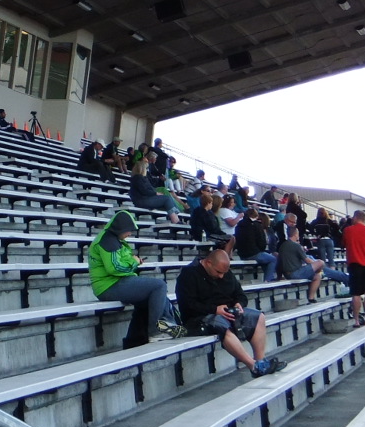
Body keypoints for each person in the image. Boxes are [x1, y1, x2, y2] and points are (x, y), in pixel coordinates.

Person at [176, 246, 286, 377]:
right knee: (222, 325)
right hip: (200, 317)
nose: (221, 276)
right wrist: (215, 310)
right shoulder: (188, 274)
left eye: (223, 272)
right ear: (208, 263)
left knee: (259, 317)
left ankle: (261, 361)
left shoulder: (225, 271)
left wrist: (239, 304)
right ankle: (253, 366)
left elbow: (240, 294)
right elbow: (188, 304)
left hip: (227, 312)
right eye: (218, 272)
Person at [87, 210, 185, 348]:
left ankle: (135, 340)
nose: (130, 234)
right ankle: (156, 331)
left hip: (114, 283)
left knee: (151, 298)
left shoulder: (114, 239)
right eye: (128, 231)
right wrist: (134, 262)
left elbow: (122, 263)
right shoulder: (107, 241)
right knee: (159, 286)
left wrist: (134, 261)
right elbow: (114, 268)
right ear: (119, 228)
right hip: (108, 286)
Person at [341, 210, 365, 328]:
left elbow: (343, 244)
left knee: (356, 293)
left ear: (355, 217)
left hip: (354, 264)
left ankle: (357, 320)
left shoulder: (348, 230)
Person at [277, 224, 327, 302]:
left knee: (317, 277)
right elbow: (307, 260)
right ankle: (320, 272)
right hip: (295, 273)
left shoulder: (282, 245)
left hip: (287, 274)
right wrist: (316, 265)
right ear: (296, 234)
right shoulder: (296, 245)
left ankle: (311, 298)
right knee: (321, 262)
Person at [129, 158, 183, 223]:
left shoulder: (141, 178)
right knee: (167, 199)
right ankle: (175, 220)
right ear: (142, 169)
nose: (147, 170)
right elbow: (144, 191)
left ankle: (175, 216)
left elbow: (148, 189)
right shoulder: (138, 178)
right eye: (146, 169)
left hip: (143, 199)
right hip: (142, 200)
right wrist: (155, 193)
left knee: (166, 199)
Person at [233, 205, 277, 281]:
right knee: (273, 259)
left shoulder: (238, 225)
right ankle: (268, 280)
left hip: (242, 254)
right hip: (254, 253)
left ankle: (267, 280)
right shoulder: (257, 225)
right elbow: (262, 242)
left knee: (266, 260)